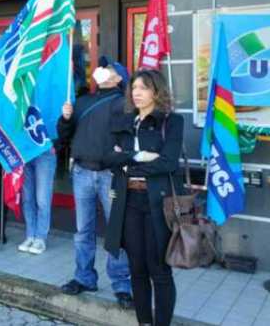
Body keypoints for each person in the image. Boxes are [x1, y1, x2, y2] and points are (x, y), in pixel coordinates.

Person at [103, 69, 183, 326]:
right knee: (136, 268)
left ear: (156, 91)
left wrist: (128, 165)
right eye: (134, 88)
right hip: (129, 203)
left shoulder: (171, 122)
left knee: (159, 270)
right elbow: (109, 158)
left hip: (157, 204)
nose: (136, 93)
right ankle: (144, 322)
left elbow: (168, 163)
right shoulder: (127, 121)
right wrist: (139, 157)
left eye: (143, 88)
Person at [57, 57, 133, 309]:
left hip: (110, 175)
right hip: (81, 172)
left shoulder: (125, 103)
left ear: (119, 78)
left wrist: (120, 152)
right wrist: (66, 118)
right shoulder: (82, 101)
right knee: (82, 231)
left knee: (117, 232)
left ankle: (122, 285)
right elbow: (65, 136)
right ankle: (84, 277)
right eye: (101, 68)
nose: (101, 71)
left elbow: (130, 138)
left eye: (108, 69)